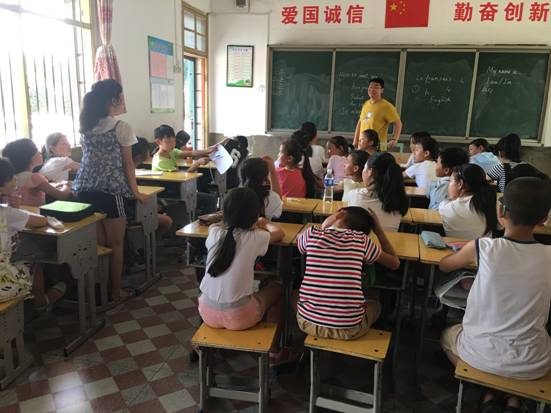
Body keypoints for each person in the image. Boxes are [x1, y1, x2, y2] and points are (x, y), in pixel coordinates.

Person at [440, 177, 551, 412]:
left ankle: (490, 391)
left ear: (500, 211)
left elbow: (445, 265)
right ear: (544, 218)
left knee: (446, 337)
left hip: (479, 355)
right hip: (533, 364)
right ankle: (513, 399)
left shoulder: (483, 247)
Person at [72, 79, 148, 304]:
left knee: (98, 243)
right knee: (116, 244)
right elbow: (128, 164)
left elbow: (89, 158)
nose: (123, 101)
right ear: (113, 100)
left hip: (83, 187)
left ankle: (96, 292)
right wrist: (135, 192)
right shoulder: (121, 126)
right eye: (121, 97)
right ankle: (115, 292)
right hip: (111, 190)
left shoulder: (86, 125)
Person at [198, 187, 289, 363]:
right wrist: (264, 222)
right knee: (278, 289)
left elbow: (220, 225)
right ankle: (274, 350)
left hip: (206, 312)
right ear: (254, 214)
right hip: (240, 317)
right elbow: (280, 233)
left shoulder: (214, 231)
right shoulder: (256, 237)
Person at [296, 206, 400, 340]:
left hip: (307, 324)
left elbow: (299, 241)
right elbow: (394, 263)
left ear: (340, 214)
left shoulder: (312, 233)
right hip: (350, 329)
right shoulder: (361, 240)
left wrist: (323, 226)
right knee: (375, 305)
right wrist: (379, 232)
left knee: (294, 295)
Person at [0, 157, 65, 311]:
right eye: (11, 178)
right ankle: (41, 304)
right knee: (34, 261)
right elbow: (40, 221)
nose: (15, 180)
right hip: (4, 284)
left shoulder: (7, 212)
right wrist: (16, 208)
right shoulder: (7, 213)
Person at [344, 153, 408, 232]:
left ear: (370, 172)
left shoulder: (354, 194)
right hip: (387, 240)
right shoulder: (399, 199)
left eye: (364, 168)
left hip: (360, 240)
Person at [2, 139, 73, 206]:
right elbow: (63, 196)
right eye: (36, 150)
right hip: (37, 213)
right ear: (28, 156)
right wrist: (66, 185)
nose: (40, 152)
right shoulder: (34, 177)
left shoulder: (12, 179)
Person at [439, 164, 497, 240]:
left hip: (456, 247)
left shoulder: (447, 208)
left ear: (460, 184)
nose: (449, 185)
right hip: (483, 247)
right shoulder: (490, 203)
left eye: (450, 181)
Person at [131, 137, 173, 238]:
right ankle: (153, 243)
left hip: (131, 208)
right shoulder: (129, 171)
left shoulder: (127, 168)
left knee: (158, 206)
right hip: (132, 212)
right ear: (140, 155)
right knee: (167, 221)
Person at [353, 78, 402, 151]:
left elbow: (398, 123)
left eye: (376, 87)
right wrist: (355, 141)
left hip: (378, 148)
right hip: (363, 147)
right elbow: (360, 122)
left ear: (382, 90)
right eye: (370, 87)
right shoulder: (366, 104)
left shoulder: (386, 106)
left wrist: (394, 139)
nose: (372, 89)